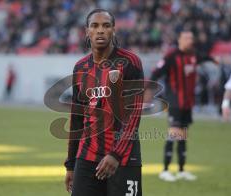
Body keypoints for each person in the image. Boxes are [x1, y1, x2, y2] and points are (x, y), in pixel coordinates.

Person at [64, 9, 144, 196]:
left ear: (113, 30)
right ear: (87, 32)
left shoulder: (130, 62)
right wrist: (70, 165)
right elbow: (77, 118)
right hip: (87, 157)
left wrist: (116, 154)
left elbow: (134, 115)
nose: (100, 30)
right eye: (95, 25)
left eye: (106, 26)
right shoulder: (80, 67)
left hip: (124, 159)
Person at [146, 30, 216, 181]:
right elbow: (156, 72)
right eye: (186, 38)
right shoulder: (171, 56)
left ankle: (182, 170)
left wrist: (215, 60)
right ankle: (164, 170)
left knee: (183, 136)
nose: (190, 40)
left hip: (188, 103)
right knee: (173, 134)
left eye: (191, 37)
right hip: (176, 102)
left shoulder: (194, 55)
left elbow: (206, 58)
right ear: (179, 40)